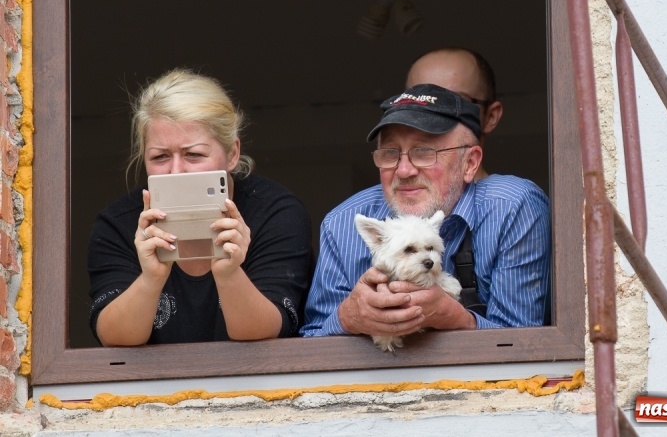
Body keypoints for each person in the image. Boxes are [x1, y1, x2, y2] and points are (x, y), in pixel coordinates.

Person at [301, 84, 550, 339]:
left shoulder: (511, 208)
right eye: (390, 153)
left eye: (423, 152)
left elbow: (526, 345)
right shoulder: (341, 223)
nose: (404, 170)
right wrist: (347, 318)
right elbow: (310, 344)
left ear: (469, 163)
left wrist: (458, 320)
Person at [88, 68, 314, 346]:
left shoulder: (276, 213)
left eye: (193, 154)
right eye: (160, 157)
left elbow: (266, 333)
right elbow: (113, 338)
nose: (176, 171)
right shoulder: (118, 224)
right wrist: (150, 279)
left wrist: (229, 274)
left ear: (232, 154)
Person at [405, 46, 504, 180]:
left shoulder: (512, 194)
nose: (435, 113)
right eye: (421, 100)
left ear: (491, 117)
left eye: (454, 102)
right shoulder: (379, 194)